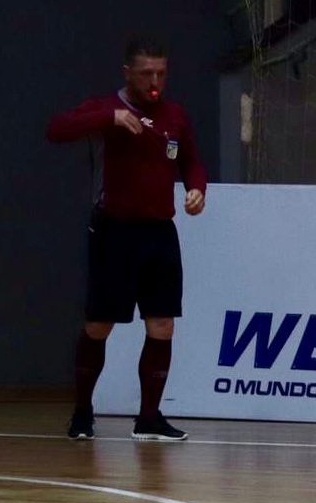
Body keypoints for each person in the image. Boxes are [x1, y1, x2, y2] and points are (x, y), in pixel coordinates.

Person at [45, 38, 207, 442]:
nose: (155, 82)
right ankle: (83, 412)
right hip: (114, 231)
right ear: (128, 74)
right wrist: (108, 117)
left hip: (159, 231)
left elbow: (190, 160)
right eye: (147, 73)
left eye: (162, 74)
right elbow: (56, 129)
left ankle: (149, 418)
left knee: (163, 324)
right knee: (100, 324)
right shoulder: (105, 110)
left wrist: (196, 188)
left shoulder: (175, 115)